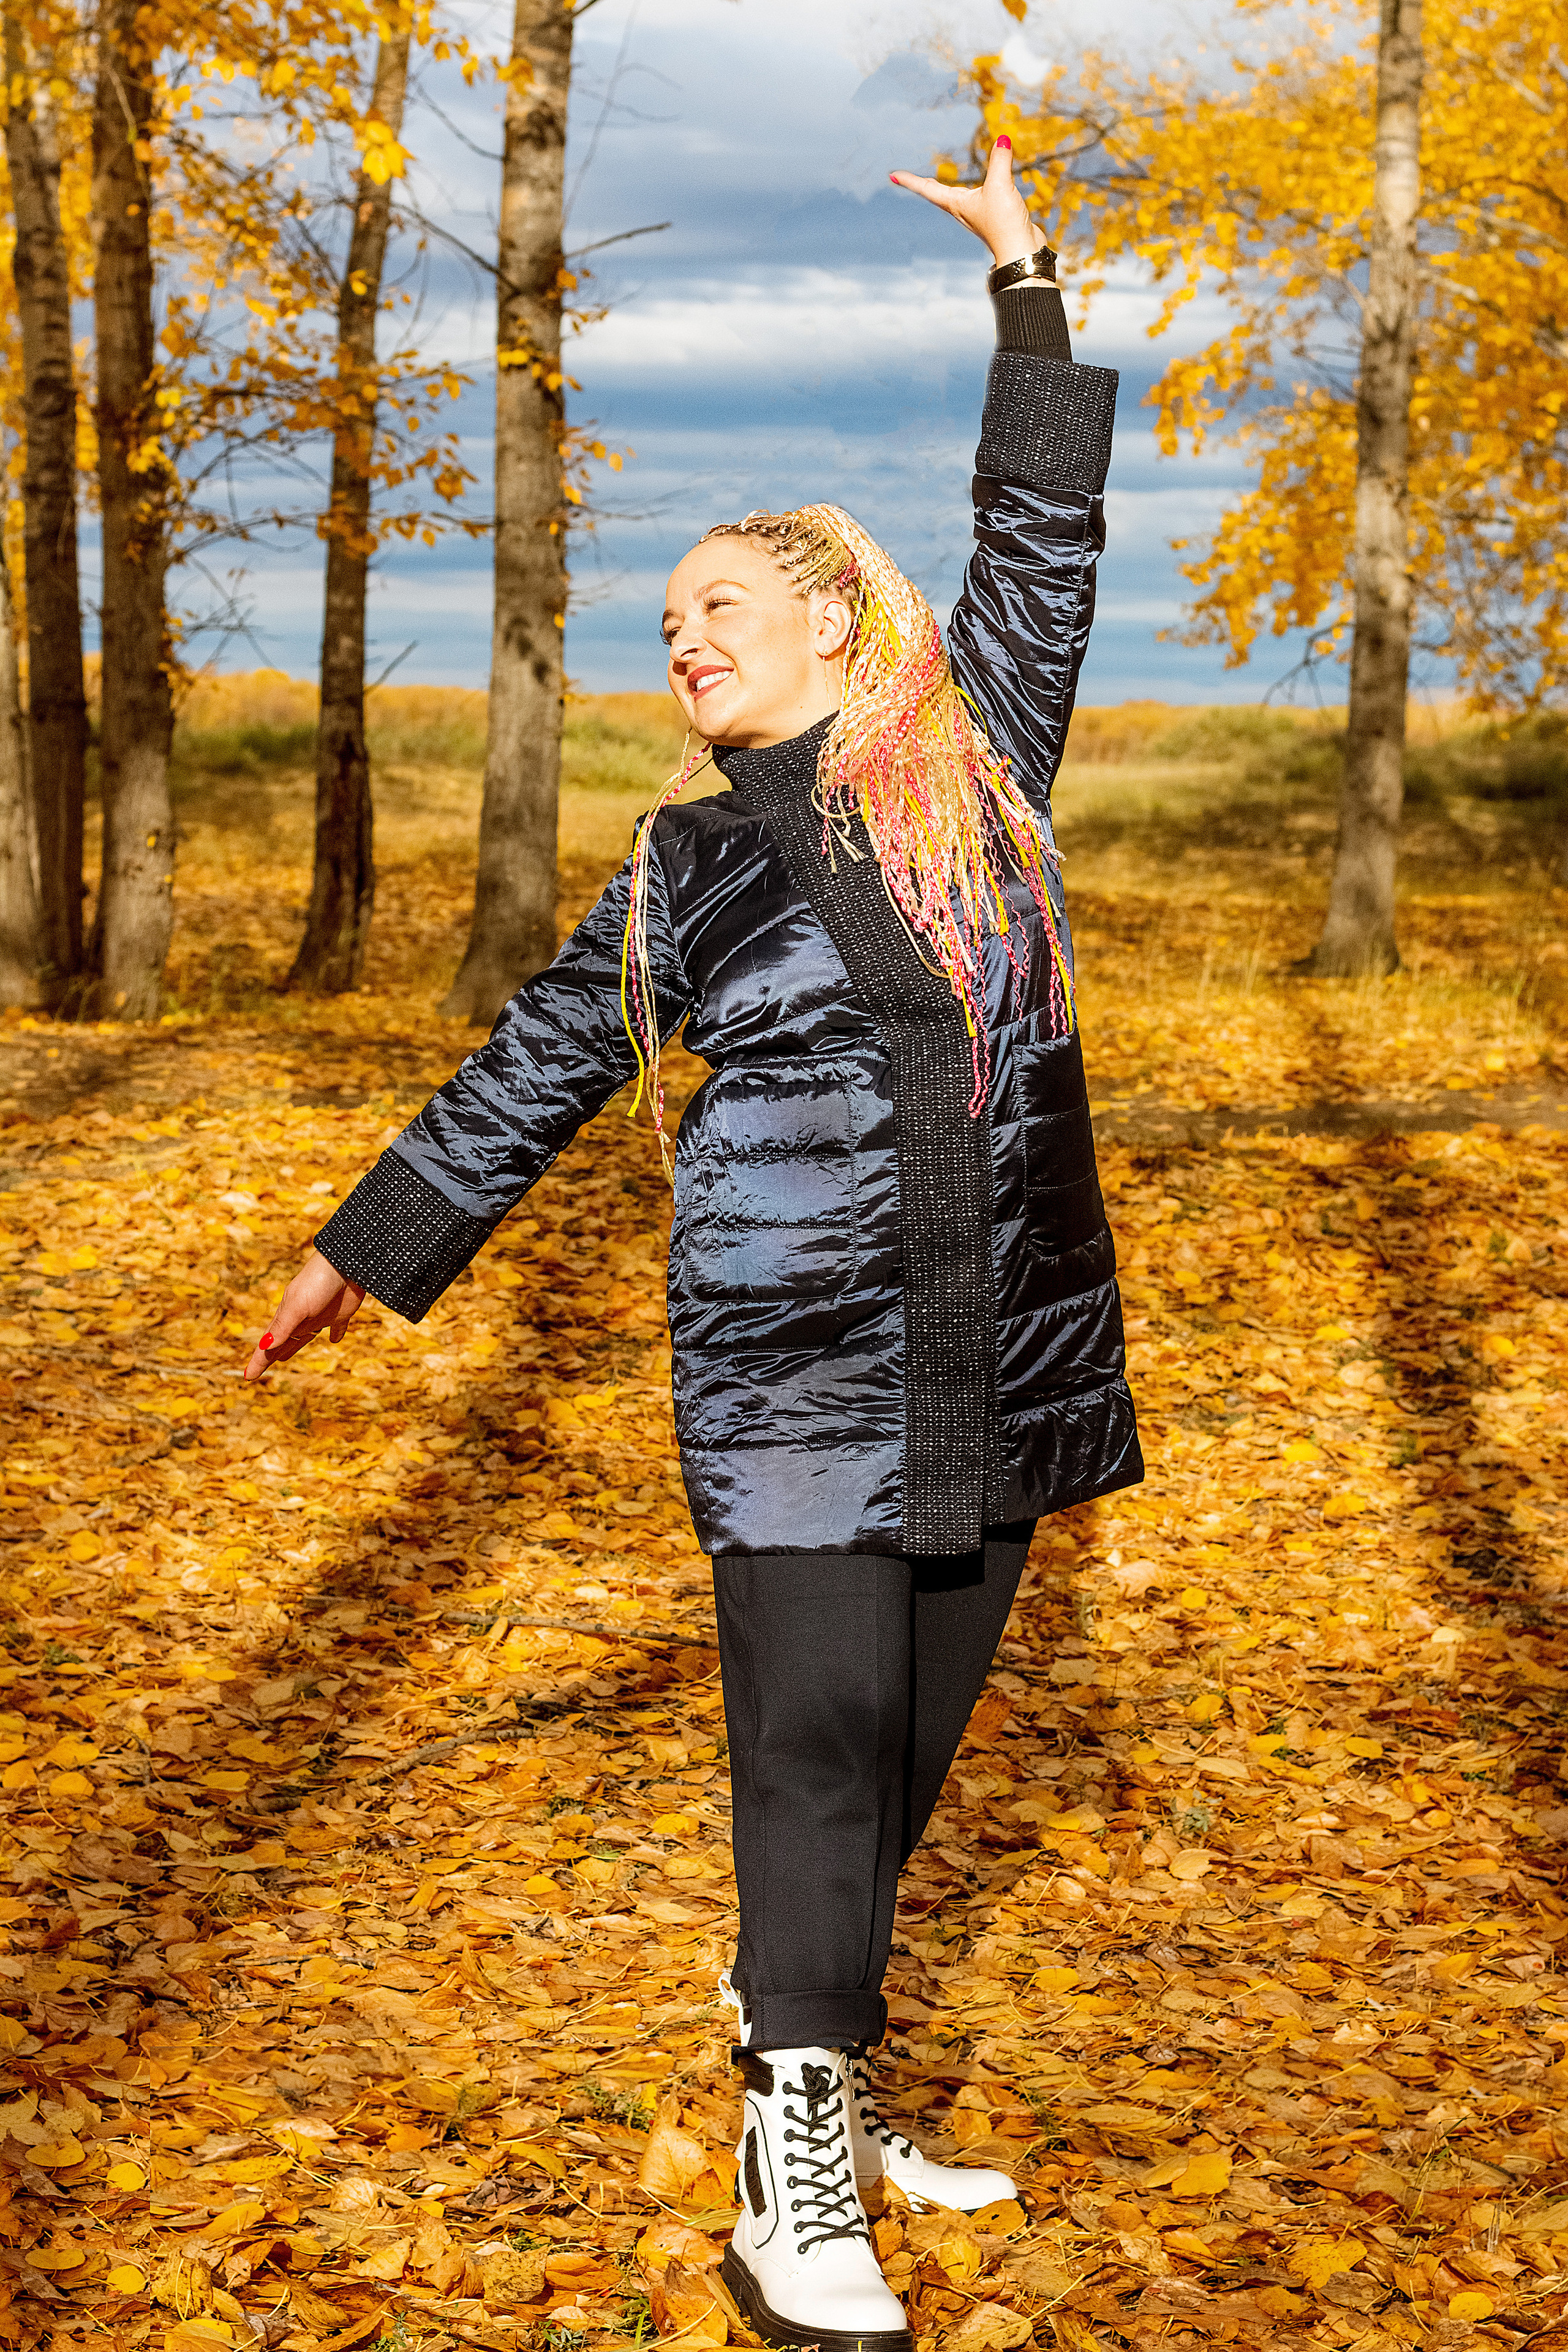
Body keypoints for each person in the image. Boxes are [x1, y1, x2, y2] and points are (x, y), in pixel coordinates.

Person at [247, 139, 1140, 2352]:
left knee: (914, 1751)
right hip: (795, 1374)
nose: (682, 637)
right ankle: (794, 2164)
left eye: (718, 606)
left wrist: (1028, 286)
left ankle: (804, 2022)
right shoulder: (679, 877)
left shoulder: (977, 766)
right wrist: (372, 1243)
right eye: (669, 625)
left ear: (836, 618)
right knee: (819, 1747)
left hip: (1001, 1351)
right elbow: (535, 1069)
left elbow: (1039, 535)